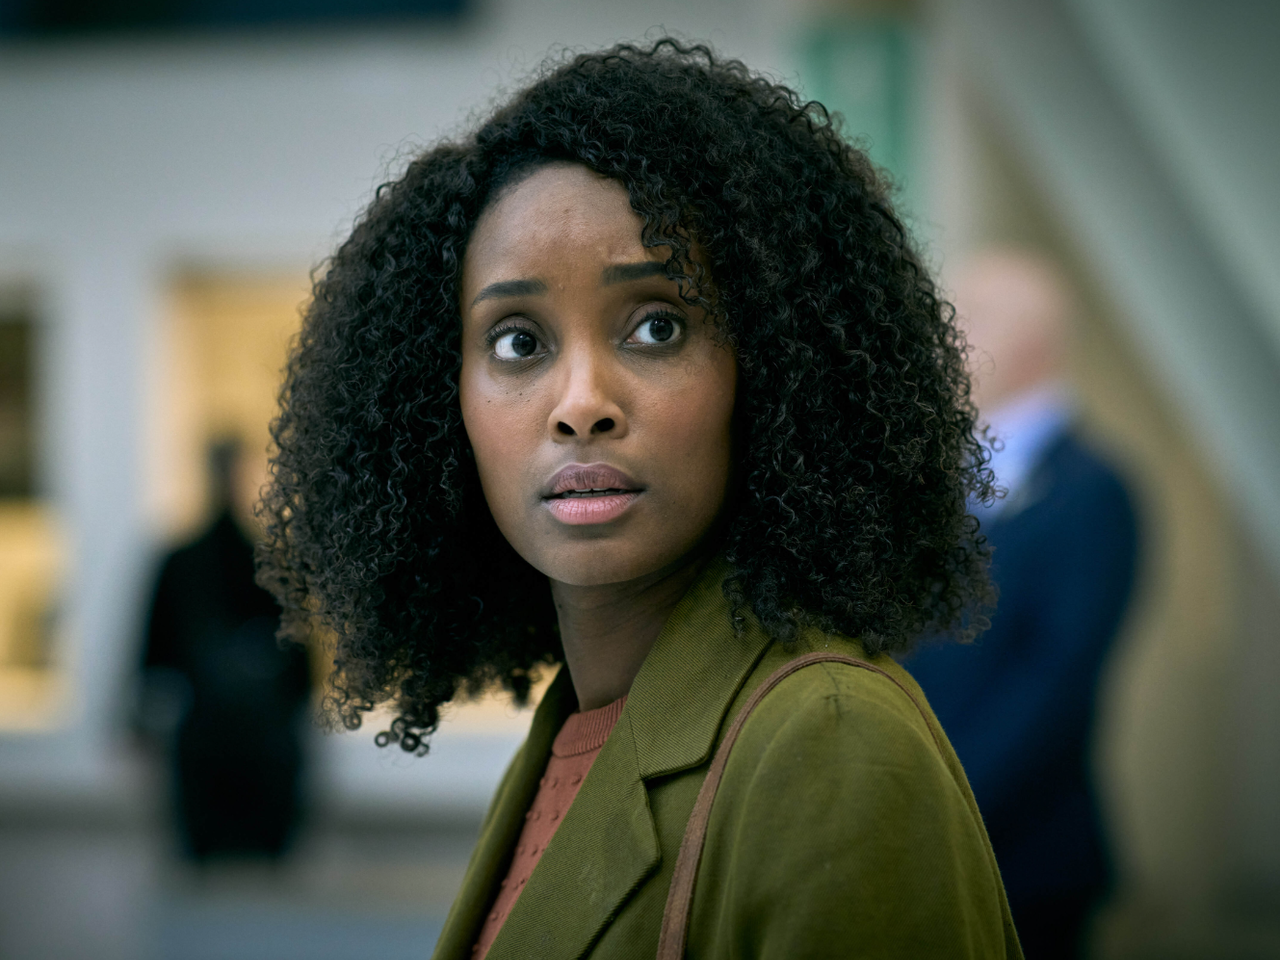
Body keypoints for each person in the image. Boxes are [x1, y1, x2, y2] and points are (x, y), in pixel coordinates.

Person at [258, 41, 1021, 958]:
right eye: (517, 342)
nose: (581, 403)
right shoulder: (572, 733)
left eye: (657, 326)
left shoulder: (828, 737)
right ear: (438, 396)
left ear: (770, 369)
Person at [905, 251, 1140, 959]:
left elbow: (1056, 678)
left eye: (972, 316)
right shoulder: (930, 475)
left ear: (1034, 343)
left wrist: (943, 805)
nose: (946, 333)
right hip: (910, 834)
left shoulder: (1092, 490)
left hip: (1023, 853)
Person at [140, 437, 312, 861]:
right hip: (212, 732)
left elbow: (297, 654)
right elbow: (154, 648)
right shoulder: (189, 563)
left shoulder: (261, 561)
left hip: (251, 736)